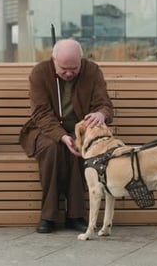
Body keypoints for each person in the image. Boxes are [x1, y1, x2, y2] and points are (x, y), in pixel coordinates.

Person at [19, 39, 114, 233]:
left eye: (74, 68)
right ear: (54, 60)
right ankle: (49, 216)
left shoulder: (92, 71)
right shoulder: (40, 73)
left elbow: (104, 104)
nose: (69, 73)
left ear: (81, 60)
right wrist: (62, 136)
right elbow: (41, 114)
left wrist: (100, 114)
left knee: (78, 151)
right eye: (64, 69)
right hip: (45, 130)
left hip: (81, 131)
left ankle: (76, 215)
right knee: (53, 149)